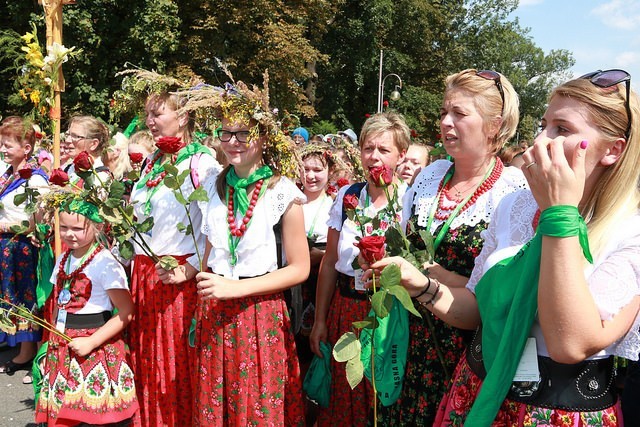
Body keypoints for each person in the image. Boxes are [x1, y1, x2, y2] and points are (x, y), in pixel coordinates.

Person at [366, 69, 640, 425]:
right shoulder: (515, 206)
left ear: (613, 150)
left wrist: (559, 215)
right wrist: (420, 284)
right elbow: (476, 307)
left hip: (554, 412)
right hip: (476, 388)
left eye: (563, 129)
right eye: (543, 125)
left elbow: (570, 344)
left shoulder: (629, 230)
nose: (540, 140)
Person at [371, 69, 527, 426]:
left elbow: (499, 298)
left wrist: (435, 280)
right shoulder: (430, 175)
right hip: (407, 342)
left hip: (464, 356)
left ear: (494, 124)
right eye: (445, 112)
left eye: (459, 113)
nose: (445, 122)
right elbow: (404, 243)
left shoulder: (513, 191)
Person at [185, 80, 309, 425]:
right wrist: (189, 272)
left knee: (256, 402)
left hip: (259, 310)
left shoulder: (282, 192)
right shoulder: (213, 186)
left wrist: (237, 289)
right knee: (215, 400)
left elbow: (300, 269)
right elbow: (209, 255)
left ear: (265, 138)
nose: (233, 143)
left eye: (244, 134)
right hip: (214, 307)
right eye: (226, 134)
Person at [127, 88, 221, 427]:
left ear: (182, 117)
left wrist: (190, 269)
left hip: (177, 278)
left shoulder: (202, 163)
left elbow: (214, 228)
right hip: (144, 274)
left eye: (158, 114)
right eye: (148, 115)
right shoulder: (152, 162)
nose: (150, 121)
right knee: (149, 360)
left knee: (176, 365)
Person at [310, 111, 410, 427]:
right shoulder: (348, 196)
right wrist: (320, 320)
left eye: (384, 150)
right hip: (344, 310)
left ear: (401, 155)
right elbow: (328, 263)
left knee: (379, 398)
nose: (374, 157)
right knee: (344, 396)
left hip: (388, 315)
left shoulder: (410, 200)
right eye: (369, 148)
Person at [35, 201, 138, 426]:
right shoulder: (63, 258)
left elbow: (126, 311)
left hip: (94, 346)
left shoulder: (106, 263)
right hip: (62, 345)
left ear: (98, 227)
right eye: (64, 227)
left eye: (77, 229)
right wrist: (50, 339)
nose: (69, 234)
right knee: (64, 413)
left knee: (92, 415)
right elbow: (57, 304)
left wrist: (91, 342)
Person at [0, 116, 49, 377]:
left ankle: (29, 351)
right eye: (2, 145)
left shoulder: (34, 181)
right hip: (8, 247)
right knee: (11, 296)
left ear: (26, 149)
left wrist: (5, 227)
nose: (3, 150)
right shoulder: (9, 176)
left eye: (8, 145)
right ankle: (20, 345)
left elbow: (34, 221)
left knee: (24, 297)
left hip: (22, 248)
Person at [63, 115, 111, 181]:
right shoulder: (68, 170)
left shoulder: (101, 178)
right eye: (68, 135)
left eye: (76, 136)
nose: (67, 140)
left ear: (93, 144)